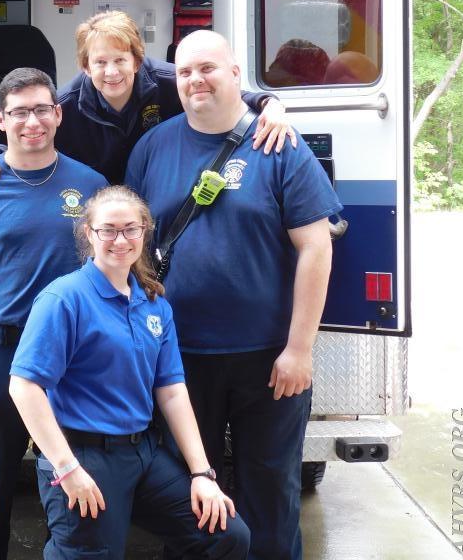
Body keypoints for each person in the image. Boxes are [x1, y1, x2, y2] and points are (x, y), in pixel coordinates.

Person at [125, 30, 342, 560]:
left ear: (236, 76)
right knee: (189, 494)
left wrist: (300, 349)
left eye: (207, 68)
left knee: (270, 492)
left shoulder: (277, 144)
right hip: (177, 359)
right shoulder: (153, 146)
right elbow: (132, 244)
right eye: (184, 72)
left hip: (268, 360)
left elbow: (316, 248)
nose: (195, 79)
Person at [9, 185, 250, 560]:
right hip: (84, 457)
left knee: (225, 535)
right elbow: (24, 387)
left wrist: (202, 474)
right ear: (89, 233)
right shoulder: (64, 299)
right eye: (108, 229)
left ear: (144, 231)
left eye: (130, 229)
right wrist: (67, 468)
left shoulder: (152, 303)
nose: (120, 240)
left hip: (143, 455)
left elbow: (171, 391)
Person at [0, 67, 107, 560]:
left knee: (74, 489)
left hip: (72, 354)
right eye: (20, 112)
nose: (33, 121)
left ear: (58, 114)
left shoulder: (89, 185)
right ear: (0, 119)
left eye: (42, 109)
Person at [0, 10, 294, 190]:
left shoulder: (168, 81)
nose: (111, 71)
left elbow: (221, 91)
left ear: (137, 58)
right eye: (100, 62)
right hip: (99, 205)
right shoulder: (66, 105)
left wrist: (269, 103)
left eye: (120, 59)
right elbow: (31, 136)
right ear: (85, 66)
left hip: (164, 194)